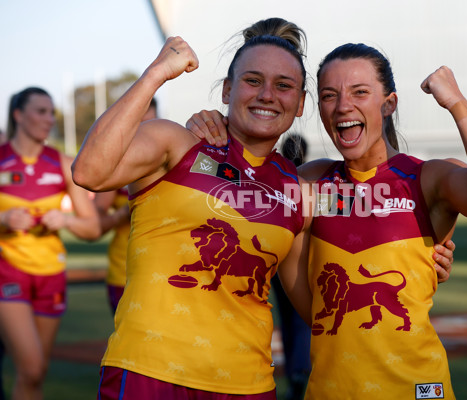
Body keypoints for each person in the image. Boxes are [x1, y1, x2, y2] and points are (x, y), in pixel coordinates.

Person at [187, 44, 467, 399]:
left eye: (360, 92)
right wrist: (210, 128)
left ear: (388, 104)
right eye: (330, 95)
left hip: (418, 389)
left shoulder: (427, 178)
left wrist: (456, 102)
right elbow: (233, 181)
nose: (344, 105)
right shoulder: (308, 184)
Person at [73, 18, 311, 399]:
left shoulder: (297, 191)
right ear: (228, 89)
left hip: (247, 385)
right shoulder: (178, 142)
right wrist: (156, 74)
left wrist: (420, 258)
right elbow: (89, 171)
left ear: (299, 104)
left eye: (283, 86)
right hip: (148, 373)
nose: (268, 94)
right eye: (253, 81)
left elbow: (314, 307)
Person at [0, 87, 101, 399]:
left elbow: (92, 227)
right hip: (8, 274)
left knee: (37, 375)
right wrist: (4, 221)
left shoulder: (62, 163)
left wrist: (67, 220)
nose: (49, 118)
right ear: (18, 115)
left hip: (51, 275)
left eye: (50, 112)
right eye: (40, 111)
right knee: (30, 368)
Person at [93, 97, 158, 314]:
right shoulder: (116, 162)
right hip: (125, 271)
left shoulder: (172, 156)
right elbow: (96, 225)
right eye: (138, 120)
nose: (144, 128)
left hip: (164, 271)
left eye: (150, 120)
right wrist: (123, 213)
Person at [273, 134, 311, 400]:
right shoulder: (308, 186)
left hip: (275, 265)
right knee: (300, 320)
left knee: (287, 320)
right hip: (301, 265)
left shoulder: (274, 183)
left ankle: (294, 372)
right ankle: (299, 371)